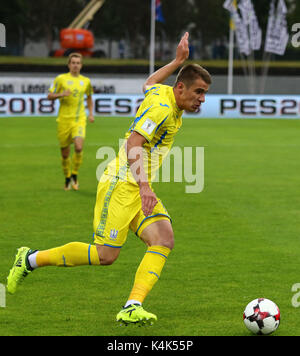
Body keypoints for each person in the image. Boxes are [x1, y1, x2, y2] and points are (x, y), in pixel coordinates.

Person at [7, 32, 211, 326]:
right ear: (180, 88)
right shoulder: (163, 108)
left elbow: (149, 83)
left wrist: (177, 61)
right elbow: (133, 144)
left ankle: (132, 305)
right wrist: (144, 187)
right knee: (105, 255)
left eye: (204, 94)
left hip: (138, 186)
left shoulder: (163, 94)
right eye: (199, 92)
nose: (202, 99)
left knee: (163, 238)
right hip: (122, 183)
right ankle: (29, 259)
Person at [47, 52, 94, 191]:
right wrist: (61, 94)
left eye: (78, 63)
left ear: (81, 65)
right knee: (65, 154)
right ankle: (67, 177)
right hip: (63, 120)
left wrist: (91, 114)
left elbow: (90, 97)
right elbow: (49, 95)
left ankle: (75, 175)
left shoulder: (86, 81)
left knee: (79, 147)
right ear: (69, 64)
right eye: (73, 63)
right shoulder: (60, 79)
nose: (75, 65)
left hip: (79, 119)